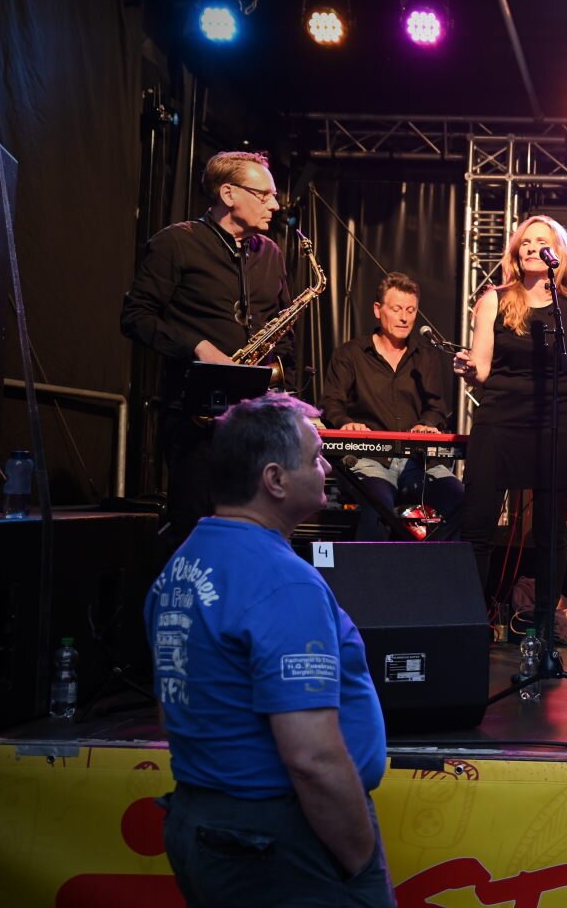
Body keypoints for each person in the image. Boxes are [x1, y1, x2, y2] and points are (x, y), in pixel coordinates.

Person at [146, 392, 392, 907]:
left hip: (203, 820)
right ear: (275, 479)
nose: (327, 467)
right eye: (315, 457)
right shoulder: (282, 582)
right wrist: (361, 863)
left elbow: (174, 712)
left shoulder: (182, 566)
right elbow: (312, 758)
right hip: (275, 838)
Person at [121, 151, 294, 545]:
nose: (275, 205)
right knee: (197, 531)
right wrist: (197, 346)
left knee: (255, 532)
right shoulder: (176, 243)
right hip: (195, 416)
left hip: (256, 421)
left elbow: (285, 330)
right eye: (264, 195)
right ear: (228, 194)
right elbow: (135, 316)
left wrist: (287, 393)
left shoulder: (270, 253)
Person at [452, 215, 567, 621]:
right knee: (478, 526)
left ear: (557, 253)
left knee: (550, 534)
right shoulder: (495, 299)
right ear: (516, 252)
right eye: (525, 242)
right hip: (500, 419)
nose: (531, 247)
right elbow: (481, 369)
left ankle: (544, 627)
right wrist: (468, 369)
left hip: (553, 421)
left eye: (541, 241)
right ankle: (471, 620)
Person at [321, 272, 463, 540]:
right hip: (369, 460)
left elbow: (436, 407)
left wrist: (427, 424)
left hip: (418, 462)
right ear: (378, 310)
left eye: (411, 310)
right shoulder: (350, 354)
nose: (404, 318)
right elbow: (332, 402)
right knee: (378, 506)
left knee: (460, 498)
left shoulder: (426, 356)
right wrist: (346, 424)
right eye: (397, 309)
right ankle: (375, 567)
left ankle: (428, 558)